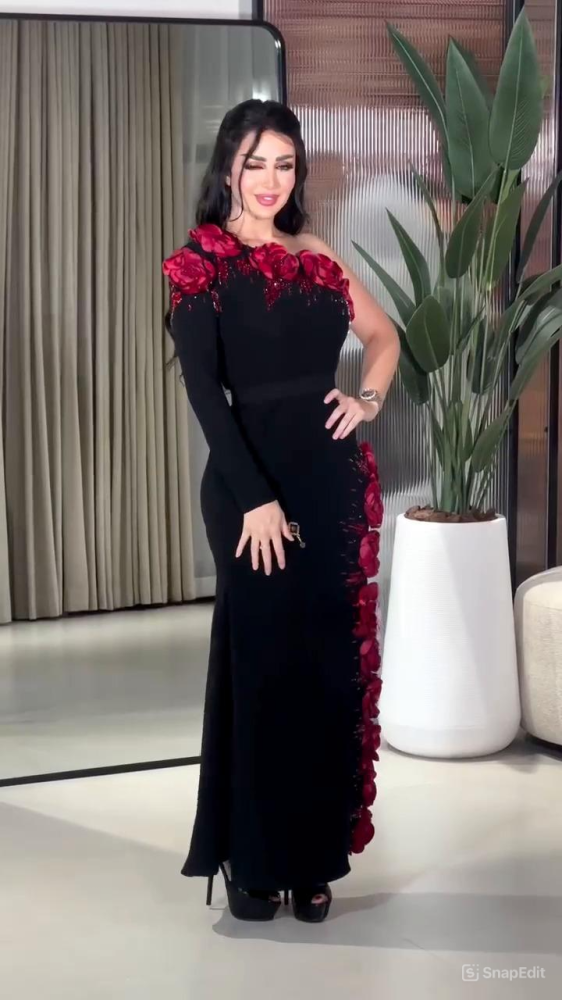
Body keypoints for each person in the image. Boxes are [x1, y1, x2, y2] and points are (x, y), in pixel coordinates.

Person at [162, 99, 399, 923]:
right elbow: (205, 395)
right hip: (246, 491)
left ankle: (313, 858)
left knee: (324, 670)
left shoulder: (317, 254)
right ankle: (254, 859)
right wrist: (256, 499)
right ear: (228, 166)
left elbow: (385, 339)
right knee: (262, 671)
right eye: (255, 162)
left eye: (285, 164)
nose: (271, 180)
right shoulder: (199, 263)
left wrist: (367, 401)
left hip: (329, 485)